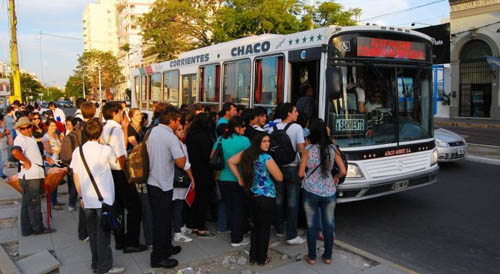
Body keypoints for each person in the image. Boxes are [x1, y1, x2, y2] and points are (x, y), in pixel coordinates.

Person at [70, 119, 126, 274]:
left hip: (87, 199)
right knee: (104, 236)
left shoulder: (78, 151)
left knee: (93, 234)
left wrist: (80, 196)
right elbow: (118, 166)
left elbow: (75, 175)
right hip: (104, 199)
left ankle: (95, 263)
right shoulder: (105, 150)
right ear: (100, 133)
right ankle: (105, 267)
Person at [228, 133, 283, 265]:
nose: (267, 144)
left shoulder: (247, 154)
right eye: (264, 141)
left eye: (268, 141)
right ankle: (261, 258)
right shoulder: (266, 158)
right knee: (264, 229)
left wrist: (240, 178)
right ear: (258, 142)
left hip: (252, 195)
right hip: (266, 197)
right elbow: (279, 177)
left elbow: (230, 161)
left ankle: (253, 257)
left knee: (256, 227)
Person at [298, 120, 346, 265]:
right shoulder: (333, 149)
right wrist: (335, 178)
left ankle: (312, 257)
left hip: (310, 192)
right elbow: (343, 171)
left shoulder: (308, 149)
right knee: (329, 225)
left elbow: (300, 173)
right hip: (329, 192)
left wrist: (307, 178)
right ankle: (328, 256)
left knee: (311, 225)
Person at [101, 102, 147, 253]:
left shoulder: (105, 127)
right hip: (119, 172)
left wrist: (126, 128)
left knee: (118, 208)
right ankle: (131, 242)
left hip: (108, 172)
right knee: (134, 207)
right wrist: (127, 174)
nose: (123, 114)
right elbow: (121, 155)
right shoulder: (116, 130)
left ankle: (120, 240)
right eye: (122, 112)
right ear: (115, 113)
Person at [146, 106, 186, 269]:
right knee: (161, 222)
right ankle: (158, 257)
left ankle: (167, 248)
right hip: (163, 184)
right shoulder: (170, 137)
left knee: (163, 219)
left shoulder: (154, 131)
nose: (180, 124)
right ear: (172, 120)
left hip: (153, 181)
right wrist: (180, 143)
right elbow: (181, 162)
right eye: (178, 121)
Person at [267, 103, 306, 245]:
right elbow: (301, 150)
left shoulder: (272, 128)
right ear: (288, 113)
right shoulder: (297, 128)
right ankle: (291, 235)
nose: (297, 114)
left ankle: (279, 229)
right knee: (292, 201)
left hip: (276, 167)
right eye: (295, 111)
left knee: (278, 199)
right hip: (292, 167)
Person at [11, 117, 55, 236]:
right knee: (34, 204)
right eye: (23, 128)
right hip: (31, 177)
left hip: (32, 175)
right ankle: (38, 228)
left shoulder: (30, 137)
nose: (26, 130)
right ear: (19, 129)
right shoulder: (21, 139)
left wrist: (44, 158)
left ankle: (26, 229)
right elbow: (15, 152)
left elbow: (34, 153)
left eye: (28, 127)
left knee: (27, 203)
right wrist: (26, 162)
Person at [211, 116, 251, 247]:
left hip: (222, 178)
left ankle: (223, 227)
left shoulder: (221, 139)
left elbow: (211, 156)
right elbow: (250, 160)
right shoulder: (245, 141)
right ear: (237, 127)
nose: (245, 128)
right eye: (243, 126)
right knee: (238, 209)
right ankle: (236, 238)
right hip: (238, 179)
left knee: (227, 206)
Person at [60, 102, 96, 241]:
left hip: (79, 171)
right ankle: (86, 232)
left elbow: (65, 157)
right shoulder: (95, 130)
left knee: (84, 202)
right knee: (88, 205)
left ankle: (84, 232)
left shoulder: (73, 134)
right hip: (90, 171)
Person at [186, 113, 216, 239]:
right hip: (204, 171)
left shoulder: (190, 135)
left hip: (193, 170)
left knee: (195, 199)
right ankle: (201, 228)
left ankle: (192, 224)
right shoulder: (206, 137)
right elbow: (208, 156)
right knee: (203, 200)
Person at [126, 108, 153, 247]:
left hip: (139, 167)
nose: (139, 116)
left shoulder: (141, 127)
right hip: (136, 169)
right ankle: (149, 238)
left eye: (140, 115)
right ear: (131, 117)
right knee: (144, 205)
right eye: (136, 115)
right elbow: (135, 146)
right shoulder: (130, 129)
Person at [172, 124, 195, 243]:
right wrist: (191, 177)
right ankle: (178, 231)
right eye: (179, 130)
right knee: (178, 204)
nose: (182, 131)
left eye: (182, 129)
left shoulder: (178, 144)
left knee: (178, 204)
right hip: (179, 178)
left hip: (173, 178)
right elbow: (185, 164)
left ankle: (180, 226)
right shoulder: (179, 145)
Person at [43, 118, 64, 210]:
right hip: (51, 162)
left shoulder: (56, 135)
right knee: (52, 183)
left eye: (55, 125)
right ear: (47, 126)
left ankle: (55, 201)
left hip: (57, 161)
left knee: (56, 183)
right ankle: (53, 202)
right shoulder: (46, 137)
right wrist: (58, 150)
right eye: (51, 126)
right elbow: (48, 150)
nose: (54, 127)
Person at [0, 114, 12, 179]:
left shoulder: (2, 128)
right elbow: (0, 136)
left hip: (3, 146)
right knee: (1, 161)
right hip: (1, 147)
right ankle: (1, 174)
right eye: (2, 120)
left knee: (3, 161)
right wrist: (6, 133)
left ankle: (1, 173)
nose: (2, 122)